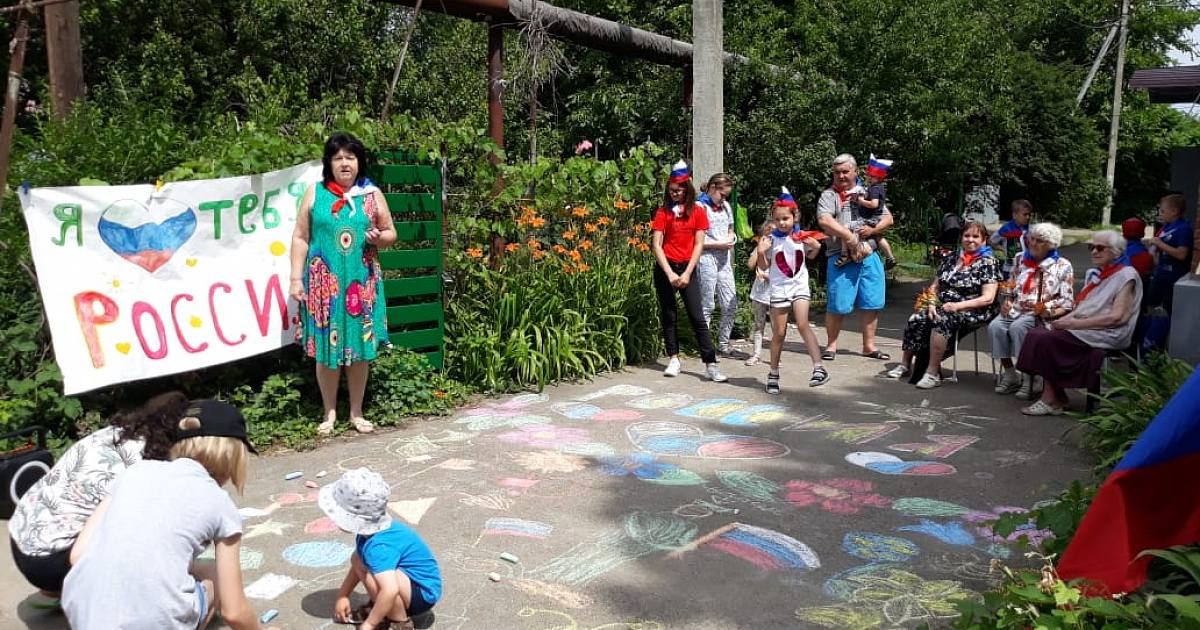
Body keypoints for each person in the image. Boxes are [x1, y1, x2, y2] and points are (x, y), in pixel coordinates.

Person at [63, 400, 281, 630]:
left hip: (83, 614)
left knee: (186, 568)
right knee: (212, 573)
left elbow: (78, 554)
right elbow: (234, 612)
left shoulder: (135, 471)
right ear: (232, 454)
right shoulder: (219, 502)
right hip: (152, 622)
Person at [8, 391, 191, 602]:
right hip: (48, 562)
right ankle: (85, 591)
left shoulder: (113, 433)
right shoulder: (144, 462)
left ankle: (59, 588)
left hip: (19, 539)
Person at [290, 132, 397, 436]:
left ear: (359, 162)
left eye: (350, 157)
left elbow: (390, 233)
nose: (345, 163)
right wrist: (296, 278)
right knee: (327, 348)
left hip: (361, 285)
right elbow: (300, 237)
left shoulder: (371, 194)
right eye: (338, 158)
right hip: (323, 286)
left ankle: (356, 412)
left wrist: (379, 238)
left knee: (360, 347)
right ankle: (329, 413)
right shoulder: (315, 193)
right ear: (329, 163)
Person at [1017, 230, 1142, 416]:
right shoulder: (1104, 274)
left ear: (1117, 252)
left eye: (1100, 248)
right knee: (1038, 333)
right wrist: (1062, 320)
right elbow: (1084, 307)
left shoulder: (1126, 275)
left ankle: (1051, 399)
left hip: (1108, 331)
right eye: (1091, 247)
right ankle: (1056, 395)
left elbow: (1118, 318)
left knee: (1045, 339)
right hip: (1087, 326)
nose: (1094, 251)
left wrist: (1071, 324)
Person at [885, 220, 1003, 388]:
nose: (970, 239)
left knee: (941, 320)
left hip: (975, 308)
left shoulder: (988, 262)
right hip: (945, 305)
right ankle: (906, 364)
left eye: (975, 236)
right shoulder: (953, 257)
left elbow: (988, 298)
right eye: (967, 235)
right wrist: (931, 303)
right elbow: (935, 286)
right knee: (918, 318)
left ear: (984, 240)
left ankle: (932, 372)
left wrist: (957, 306)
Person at [320, 468, 441, 630]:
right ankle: (383, 609)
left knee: (374, 578)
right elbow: (358, 563)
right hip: (413, 584)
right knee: (358, 558)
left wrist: (370, 624)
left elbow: (390, 590)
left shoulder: (378, 546)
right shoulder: (369, 532)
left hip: (423, 593)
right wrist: (343, 595)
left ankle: (400, 622)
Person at [650, 160, 727, 382]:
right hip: (666, 268)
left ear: (687, 190)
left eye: (678, 190)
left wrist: (686, 273)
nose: (674, 194)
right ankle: (673, 358)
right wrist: (670, 273)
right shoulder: (663, 212)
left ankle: (710, 364)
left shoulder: (698, 212)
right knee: (669, 314)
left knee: (697, 317)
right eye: (671, 190)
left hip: (687, 267)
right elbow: (656, 245)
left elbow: (699, 244)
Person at [818, 154, 893, 362]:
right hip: (841, 256)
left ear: (855, 172)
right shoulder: (829, 195)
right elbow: (824, 220)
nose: (841, 176)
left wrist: (873, 230)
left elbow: (888, 218)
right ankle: (831, 346)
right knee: (838, 304)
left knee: (872, 301)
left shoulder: (867, 192)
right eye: (837, 172)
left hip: (869, 254)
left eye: (845, 171)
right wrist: (849, 237)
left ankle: (869, 347)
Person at [989, 222, 1075, 399]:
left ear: (1051, 245)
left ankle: (1030, 378)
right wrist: (1007, 300)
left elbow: (1067, 302)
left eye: (1040, 241)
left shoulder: (1062, 265)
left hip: (1040, 315)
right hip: (1016, 309)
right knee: (995, 327)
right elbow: (1011, 284)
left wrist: (1045, 308)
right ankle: (1010, 374)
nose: (1033, 244)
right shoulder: (1020, 258)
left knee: (1018, 327)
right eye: (1032, 239)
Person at [757, 188, 829, 393]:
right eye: (778, 219)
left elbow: (811, 255)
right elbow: (763, 266)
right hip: (779, 289)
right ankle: (773, 373)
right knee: (779, 333)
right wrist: (761, 252)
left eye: (786, 218)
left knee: (803, 323)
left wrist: (816, 247)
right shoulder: (770, 240)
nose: (782, 223)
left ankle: (819, 368)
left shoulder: (801, 236)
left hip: (799, 286)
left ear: (795, 217)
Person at [696, 172, 738, 356]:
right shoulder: (699, 206)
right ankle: (705, 348)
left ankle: (723, 344)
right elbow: (695, 240)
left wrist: (731, 238)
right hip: (706, 257)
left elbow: (730, 229)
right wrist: (717, 244)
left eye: (726, 196)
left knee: (730, 303)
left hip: (724, 258)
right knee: (707, 304)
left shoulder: (726, 206)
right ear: (712, 188)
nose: (723, 199)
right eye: (721, 194)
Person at [835, 154, 896, 270]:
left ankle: (847, 254)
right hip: (872, 221)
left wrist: (860, 200)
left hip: (869, 228)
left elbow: (888, 219)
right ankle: (890, 257)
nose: (869, 178)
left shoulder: (871, 190)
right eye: (868, 175)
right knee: (877, 237)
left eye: (846, 172)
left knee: (848, 228)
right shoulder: (878, 188)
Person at [1147, 192, 1194, 314]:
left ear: (1174, 212)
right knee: (1150, 305)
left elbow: (1182, 254)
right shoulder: (1166, 227)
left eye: (1162, 211)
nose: (1160, 214)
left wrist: (1160, 244)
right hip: (1160, 275)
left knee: (1169, 309)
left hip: (1173, 277)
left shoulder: (1183, 229)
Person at [743, 218, 776, 367]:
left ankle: (776, 356)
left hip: (776, 294)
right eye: (768, 232)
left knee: (777, 327)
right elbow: (750, 264)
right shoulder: (761, 247)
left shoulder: (781, 249)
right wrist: (759, 248)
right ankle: (756, 354)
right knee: (759, 324)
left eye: (774, 232)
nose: (771, 235)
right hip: (760, 293)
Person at [990, 199, 1033, 276]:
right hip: (1010, 269)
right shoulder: (1006, 228)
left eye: (1029, 214)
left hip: (1027, 267)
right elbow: (991, 241)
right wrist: (1002, 248)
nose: (1028, 217)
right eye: (1025, 214)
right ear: (1014, 215)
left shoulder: (1031, 228)